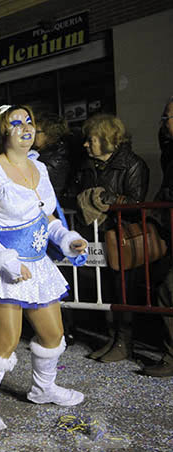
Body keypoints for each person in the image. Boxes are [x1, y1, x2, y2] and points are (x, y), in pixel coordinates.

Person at [0, 104, 88, 431]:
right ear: (2, 132)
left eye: (29, 121)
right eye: (16, 123)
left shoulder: (38, 169)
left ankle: (43, 389)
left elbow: (47, 216)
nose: (26, 128)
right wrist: (4, 259)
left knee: (53, 335)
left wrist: (67, 238)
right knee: (6, 343)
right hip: (4, 271)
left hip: (37, 267)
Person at [73, 113, 150, 363]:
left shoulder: (133, 164)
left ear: (106, 139)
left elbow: (135, 201)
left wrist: (105, 199)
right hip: (98, 236)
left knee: (123, 291)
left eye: (91, 139)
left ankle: (124, 342)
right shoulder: (89, 166)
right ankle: (112, 338)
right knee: (105, 290)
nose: (86, 144)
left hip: (121, 237)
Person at [141, 96, 173, 377]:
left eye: (169, 117)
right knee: (165, 289)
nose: (165, 123)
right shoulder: (169, 148)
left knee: (167, 290)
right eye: (164, 118)